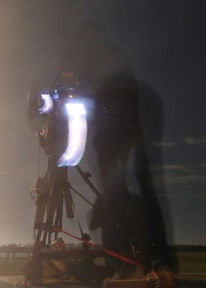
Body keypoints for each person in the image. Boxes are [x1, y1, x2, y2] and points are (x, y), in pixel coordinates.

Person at [57, 23, 177, 285]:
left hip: (116, 114)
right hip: (138, 109)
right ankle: (161, 262)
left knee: (113, 189)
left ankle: (125, 265)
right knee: (145, 184)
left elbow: (71, 87)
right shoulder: (114, 54)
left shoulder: (79, 54)